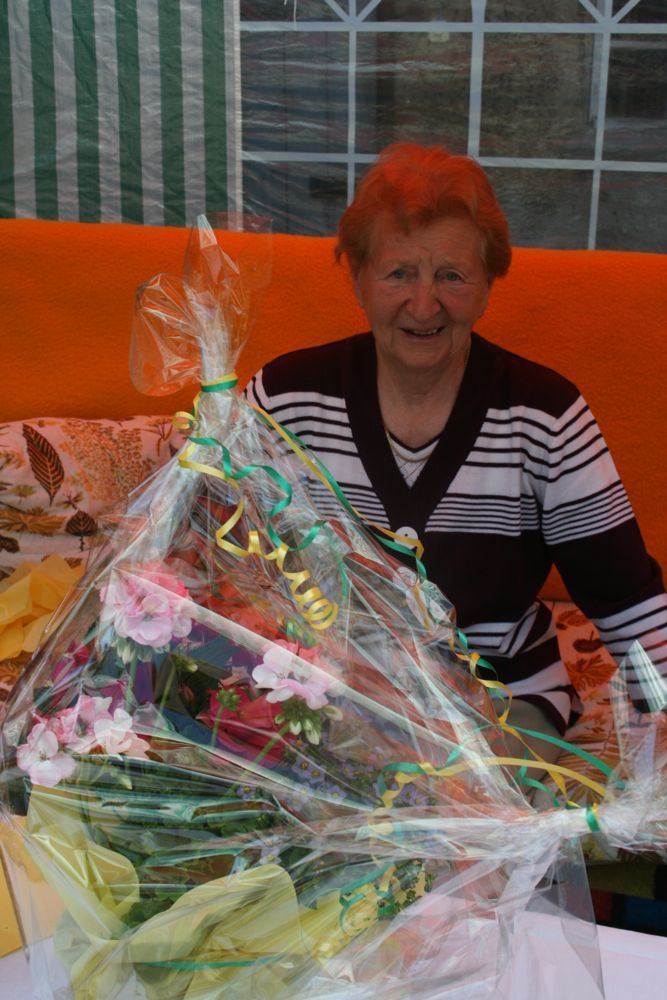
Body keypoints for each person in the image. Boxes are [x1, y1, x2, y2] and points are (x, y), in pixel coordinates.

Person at [245, 143, 667, 756]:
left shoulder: (545, 414)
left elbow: (626, 598)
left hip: (503, 698)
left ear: (488, 282)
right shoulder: (285, 400)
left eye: (452, 275)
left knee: (470, 809)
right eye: (398, 273)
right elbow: (219, 564)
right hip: (323, 694)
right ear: (357, 279)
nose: (424, 304)